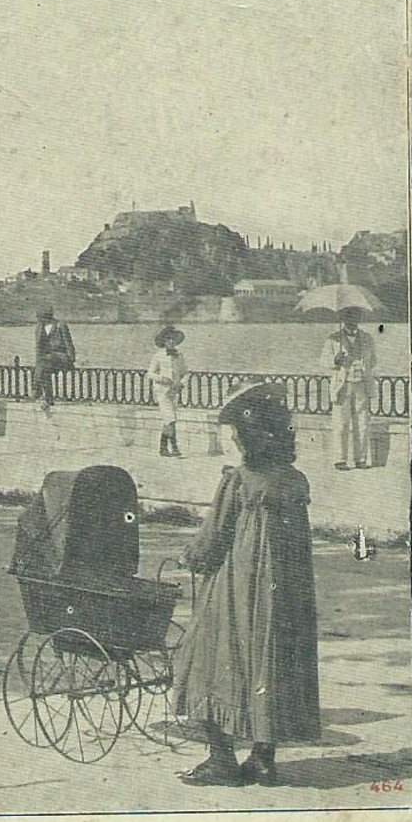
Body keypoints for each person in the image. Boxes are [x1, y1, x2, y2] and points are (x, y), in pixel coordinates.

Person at [172, 383, 321, 787]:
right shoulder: (295, 480)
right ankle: (262, 759)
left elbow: (212, 539)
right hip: (285, 594)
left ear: (248, 436)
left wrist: (190, 557)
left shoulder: (239, 480)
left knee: (210, 657)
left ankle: (221, 760)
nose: (232, 441)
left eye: (234, 434)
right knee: (269, 664)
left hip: (240, 587)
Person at [321, 315, 377, 469]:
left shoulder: (367, 338)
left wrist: (362, 367)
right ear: (344, 320)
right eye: (349, 318)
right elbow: (323, 361)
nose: (352, 322)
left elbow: (373, 361)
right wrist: (335, 360)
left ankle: (361, 459)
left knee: (362, 423)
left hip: (361, 386)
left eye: (355, 318)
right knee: (341, 424)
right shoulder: (333, 339)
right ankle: (340, 459)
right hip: (342, 386)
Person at [145, 326, 187, 456]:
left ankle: (163, 448)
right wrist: (162, 379)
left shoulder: (179, 355)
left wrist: (181, 383)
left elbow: (185, 373)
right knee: (171, 419)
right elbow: (150, 373)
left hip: (174, 392)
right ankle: (174, 448)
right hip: (162, 392)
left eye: (173, 339)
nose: (171, 342)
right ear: (164, 341)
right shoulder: (158, 356)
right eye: (168, 339)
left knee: (167, 420)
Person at [32, 306, 77, 412]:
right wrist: (38, 362)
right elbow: (39, 348)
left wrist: (71, 359)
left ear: (46, 317)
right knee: (44, 371)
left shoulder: (60, 325)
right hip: (46, 361)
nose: (38, 319)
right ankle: (48, 399)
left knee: (44, 363)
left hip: (61, 357)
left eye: (40, 317)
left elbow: (68, 343)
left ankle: (36, 389)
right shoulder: (39, 327)